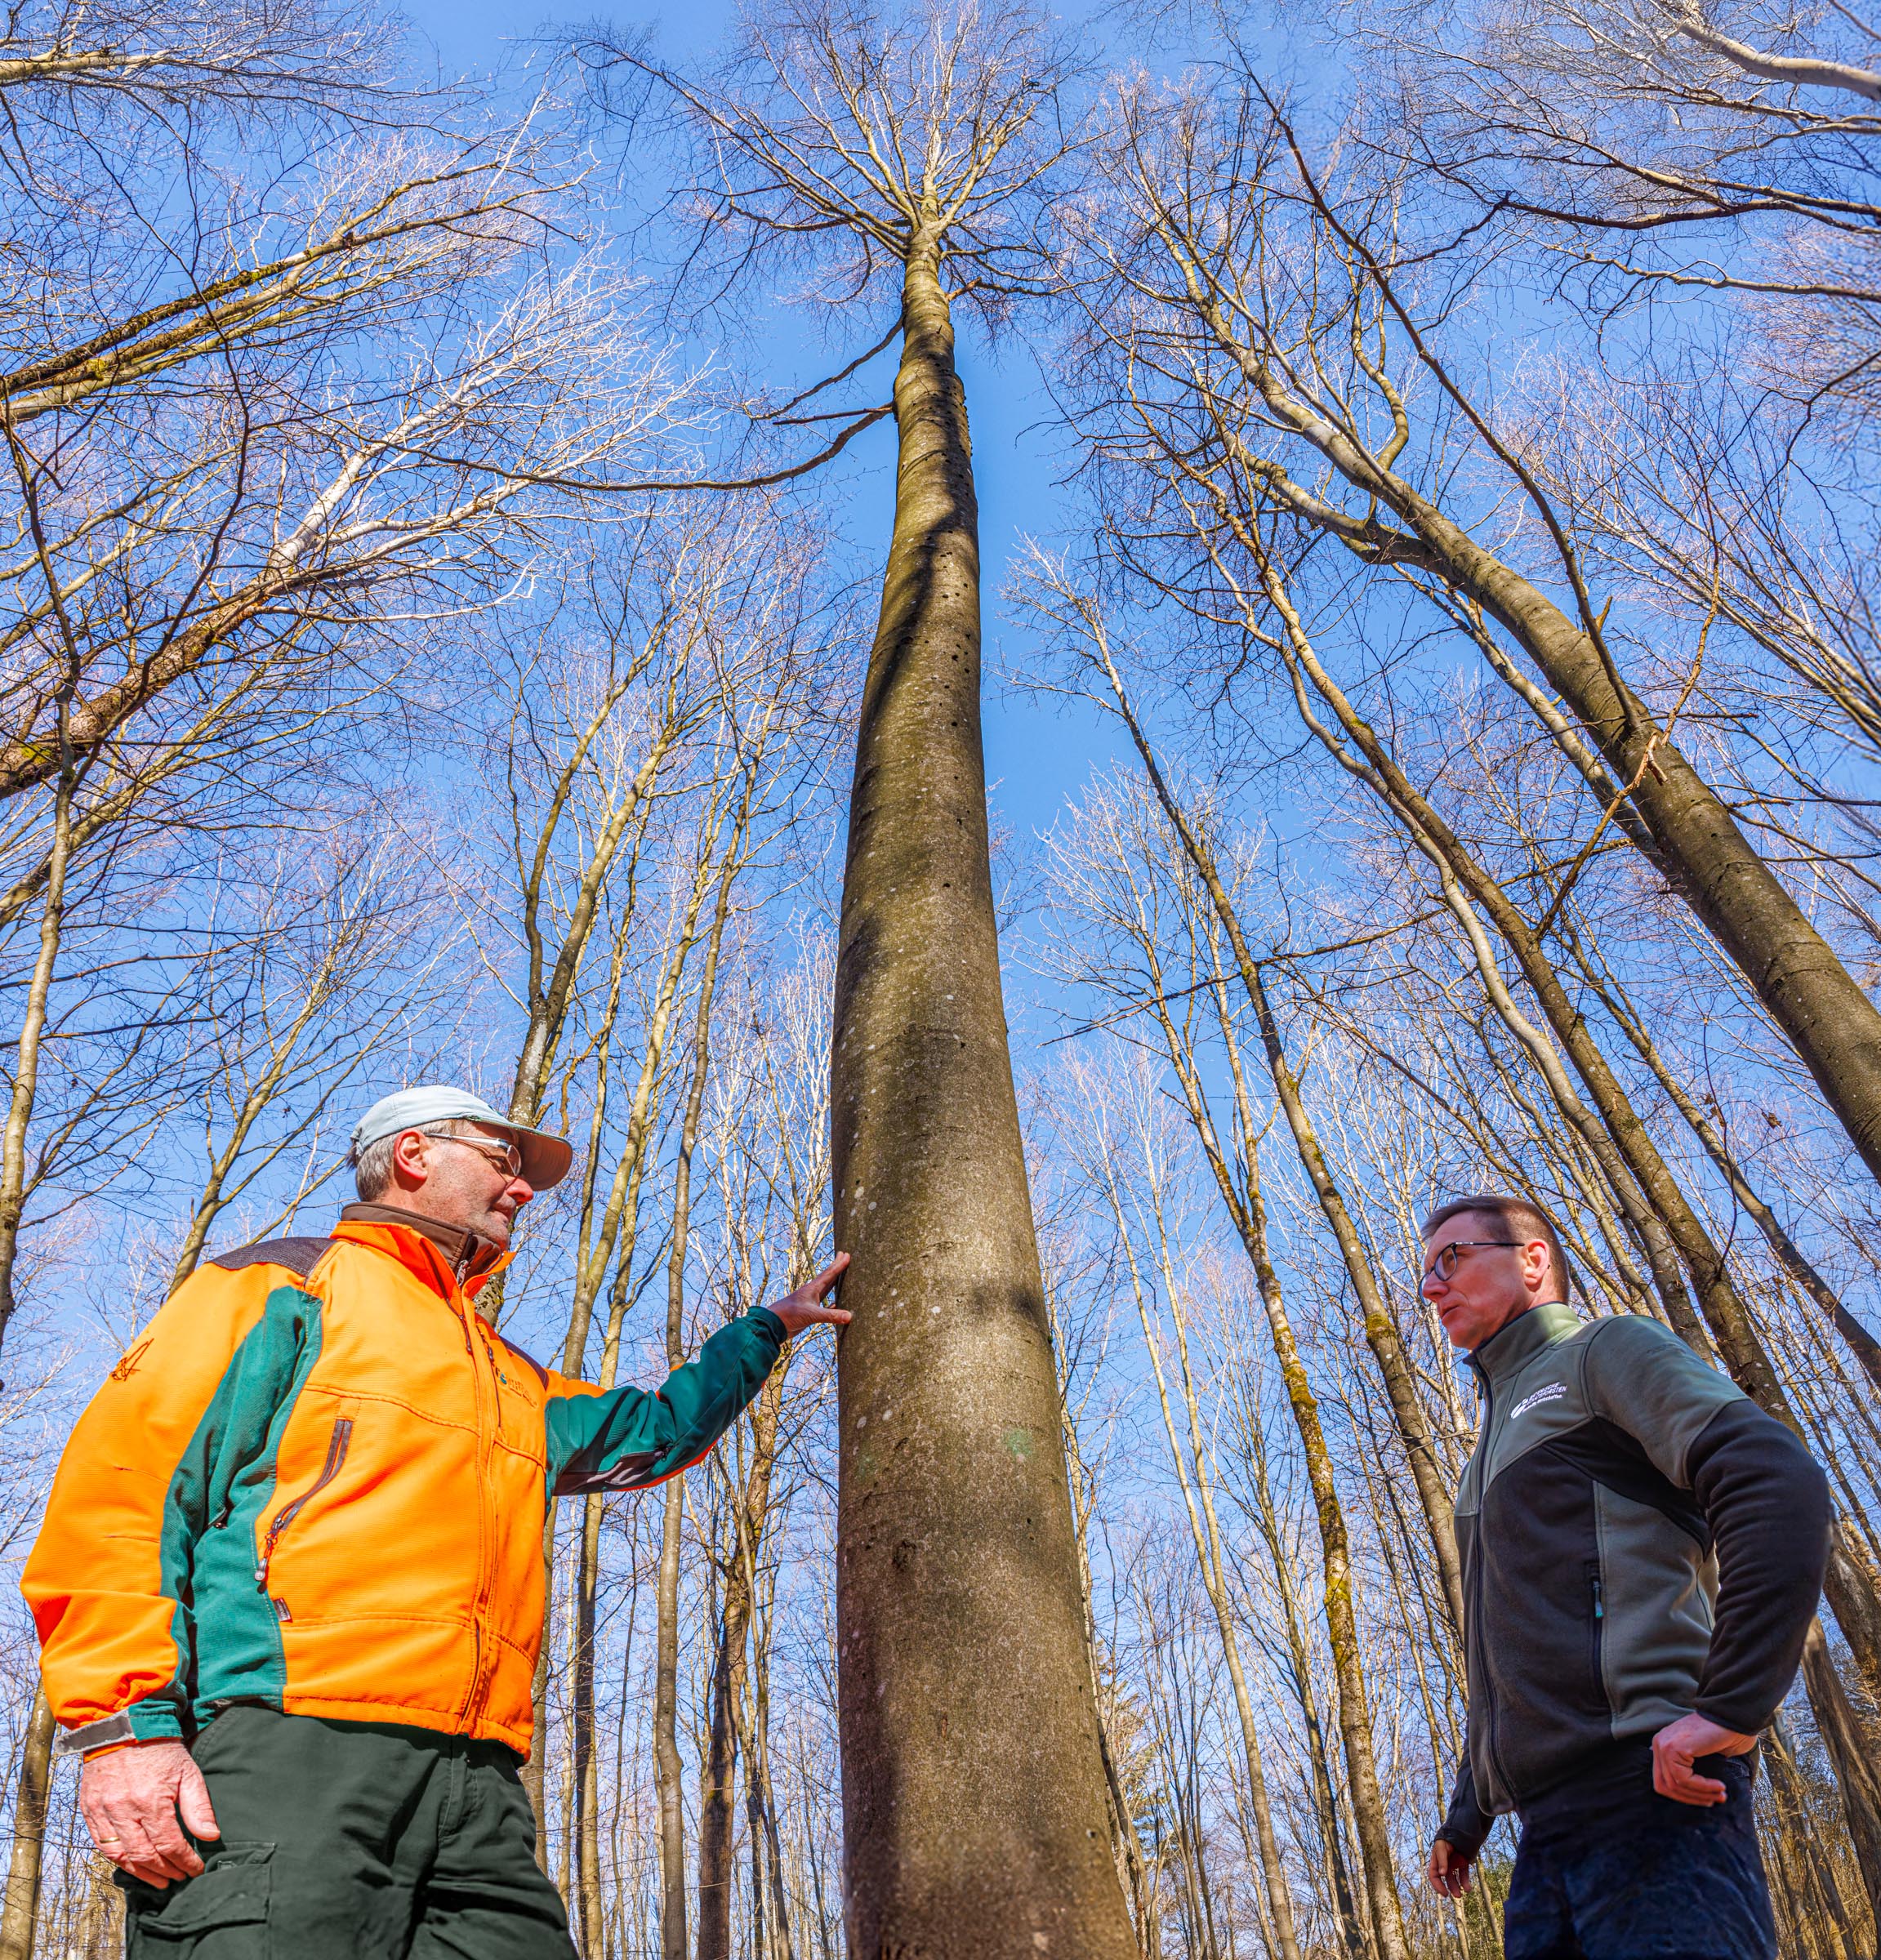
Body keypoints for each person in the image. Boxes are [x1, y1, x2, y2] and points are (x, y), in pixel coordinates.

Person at [23, 1085, 850, 1958]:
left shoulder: (507, 1374)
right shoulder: (278, 1287)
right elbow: (125, 1491)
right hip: (291, 1744)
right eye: (502, 1160)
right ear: (413, 1154)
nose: (521, 1188)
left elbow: (654, 1432)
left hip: (482, 1783)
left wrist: (768, 1328)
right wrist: (123, 1730)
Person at [1420, 1192, 1830, 1960]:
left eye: (1452, 1257)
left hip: (1656, 1792)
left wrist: (1732, 1703)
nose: (1430, 1286)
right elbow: (1507, 1644)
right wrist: (1467, 1813)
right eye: (1425, 1273)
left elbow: (1775, 1481)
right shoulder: (1481, 1460)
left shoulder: (1601, 1352)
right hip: (1541, 1840)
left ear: (1532, 1260)